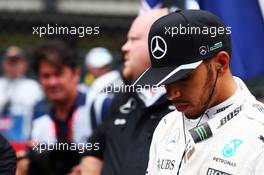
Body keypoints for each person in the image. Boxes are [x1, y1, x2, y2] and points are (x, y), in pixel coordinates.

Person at [133, 10, 264, 174]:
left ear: (221, 63)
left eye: (184, 78)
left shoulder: (258, 136)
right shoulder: (167, 124)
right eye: (165, 81)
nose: (172, 94)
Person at [78, 9, 174, 175]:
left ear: (160, 43)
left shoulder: (187, 102)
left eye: (133, 39)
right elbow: (93, 152)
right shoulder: (122, 98)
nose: (124, 47)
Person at [30, 40, 110, 174]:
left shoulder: (100, 106)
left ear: (76, 74)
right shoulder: (40, 119)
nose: (52, 82)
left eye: (59, 74)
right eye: (46, 76)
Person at [0, 46, 43, 141]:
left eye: (16, 62)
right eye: (10, 61)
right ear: (4, 63)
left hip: (23, 140)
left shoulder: (33, 87)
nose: (13, 65)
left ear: (24, 64)